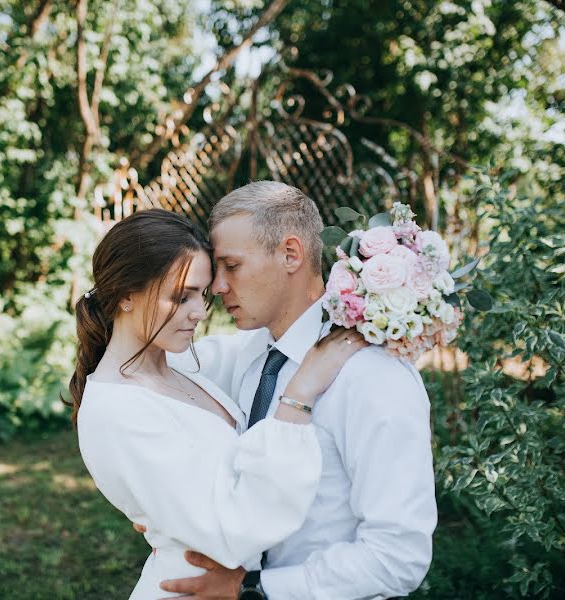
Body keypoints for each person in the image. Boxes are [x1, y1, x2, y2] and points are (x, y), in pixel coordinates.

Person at [158, 181, 438, 599]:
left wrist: (257, 590)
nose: (217, 286)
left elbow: (398, 555)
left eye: (230, 266)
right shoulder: (254, 353)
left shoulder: (372, 378)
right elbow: (147, 362)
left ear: (291, 254)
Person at [69, 208, 367, 600]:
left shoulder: (183, 365)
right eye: (181, 296)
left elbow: (278, 333)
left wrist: (375, 305)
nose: (200, 312)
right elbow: (234, 530)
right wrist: (299, 395)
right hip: (193, 587)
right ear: (126, 294)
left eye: (202, 294)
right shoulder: (115, 410)